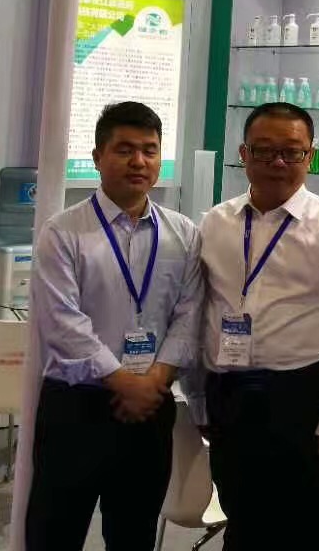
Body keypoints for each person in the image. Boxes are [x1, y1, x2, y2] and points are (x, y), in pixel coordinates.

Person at [26, 102, 203, 551]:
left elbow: (189, 315)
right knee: (54, 533)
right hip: (77, 408)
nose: (138, 161)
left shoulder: (183, 234)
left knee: (134, 535)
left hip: (151, 408)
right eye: (124, 150)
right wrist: (124, 381)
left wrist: (153, 381)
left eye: (149, 150)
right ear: (97, 157)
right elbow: (62, 323)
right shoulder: (62, 232)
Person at [199, 102, 319, 551]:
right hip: (230, 394)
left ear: (309, 156)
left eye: (292, 152)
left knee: (305, 528)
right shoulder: (215, 223)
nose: (278, 162)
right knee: (242, 518)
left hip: (301, 397)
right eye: (264, 150)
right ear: (243, 154)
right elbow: (201, 312)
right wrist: (202, 399)